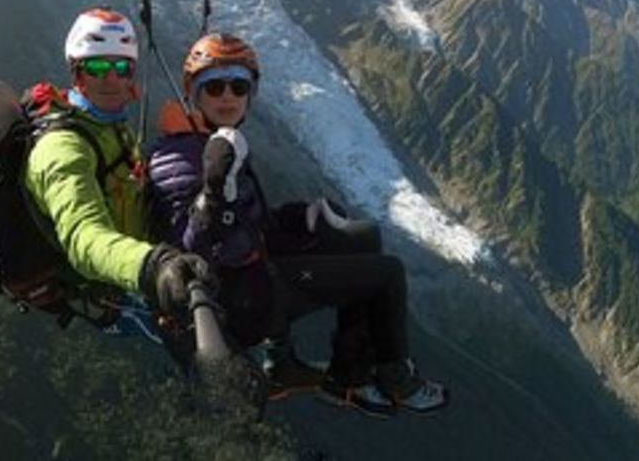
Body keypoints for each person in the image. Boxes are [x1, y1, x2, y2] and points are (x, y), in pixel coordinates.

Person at [147, 32, 449, 416]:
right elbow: (197, 250)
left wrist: (298, 219)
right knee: (387, 274)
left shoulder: (209, 139)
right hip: (238, 298)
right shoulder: (184, 155)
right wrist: (213, 196)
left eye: (239, 86)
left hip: (252, 273)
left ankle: (335, 370)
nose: (227, 96)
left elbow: (248, 217)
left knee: (361, 236)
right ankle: (392, 379)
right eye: (214, 86)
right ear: (194, 92)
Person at [24, 7, 215, 327]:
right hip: (116, 296)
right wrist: (153, 267)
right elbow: (85, 240)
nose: (111, 79)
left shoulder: (108, 125)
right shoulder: (62, 148)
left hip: (148, 266)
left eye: (122, 67)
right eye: (97, 66)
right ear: (77, 72)